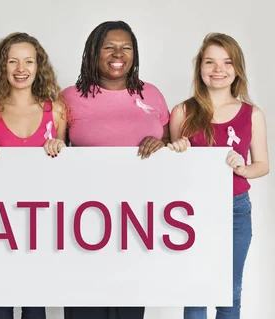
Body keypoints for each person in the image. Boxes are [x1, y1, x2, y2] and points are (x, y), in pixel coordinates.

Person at [62, 20, 171, 319]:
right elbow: (53, 153)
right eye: (109, 46)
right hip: (83, 217)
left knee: (129, 303)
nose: (118, 53)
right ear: (94, 52)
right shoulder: (69, 97)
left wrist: (161, 146)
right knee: (85, 304)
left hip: (138, 218)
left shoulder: (153, 95)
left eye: (126, 47)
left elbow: (175, 147)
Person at [168, 33, 269, 319]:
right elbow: (171, 171)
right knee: (196, 292)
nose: (218, 69)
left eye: (226, 62)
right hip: (191, 212)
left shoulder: (252, 114)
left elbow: (262, 164)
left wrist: (243, 168)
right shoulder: (182, 112)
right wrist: (177, 150)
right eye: (210, 62)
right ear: (199, 67)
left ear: (237, 69)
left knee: (229, 294)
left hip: (236, 209)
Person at [0, 32, 68, 318]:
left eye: (28, 61)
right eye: (13, 61)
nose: (20, 69)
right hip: (0, 221)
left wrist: (59, 147)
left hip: (41, 220)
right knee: (0, 304)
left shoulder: (57, 111)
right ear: (2, 66)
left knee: (34, 304)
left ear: (39, 67)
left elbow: (64, 170)